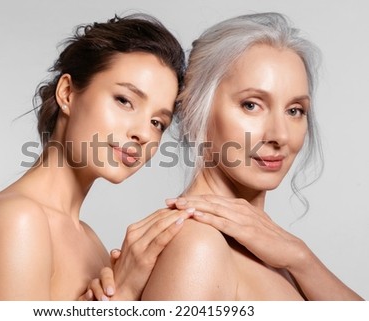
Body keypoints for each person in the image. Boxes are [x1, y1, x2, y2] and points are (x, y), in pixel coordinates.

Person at [91, 12, 363, 301]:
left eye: (295, 110)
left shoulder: (279, 251)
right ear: (196, 109)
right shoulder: (198, 246)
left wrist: (301, 258)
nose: (280, 135)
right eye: (251, 105)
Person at [0, 13, 190, 300]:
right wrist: (123, 294)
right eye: (124, 100)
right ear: (67, 93)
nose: (143, 133)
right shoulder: (17, 220)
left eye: (158, 123)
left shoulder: (91, 244)